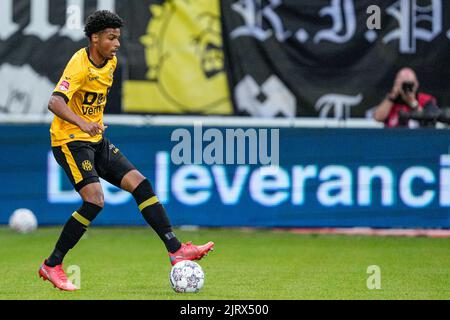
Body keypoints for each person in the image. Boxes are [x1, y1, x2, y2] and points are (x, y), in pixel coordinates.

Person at [38, 10, 214, 291]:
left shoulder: (110, 62)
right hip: (70, 141)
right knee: (94, 200)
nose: (117, 43)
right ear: (94, 38)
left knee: (141, 184)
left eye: (118, 37)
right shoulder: (78, 65)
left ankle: (176, 249)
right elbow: (55, 102)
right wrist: (84, 122)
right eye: (111, 38)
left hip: (96, 140)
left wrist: (92, 123)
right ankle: (52, 265)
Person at [373, 68, 438, 128]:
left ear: (416, 84)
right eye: (403, 84)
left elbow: (430, 121)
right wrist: (392, 97)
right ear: (396, 83)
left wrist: (413, 103)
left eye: (410, 85)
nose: (406, 88)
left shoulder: (426, 100)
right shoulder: (389, 100)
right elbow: (378, 118)